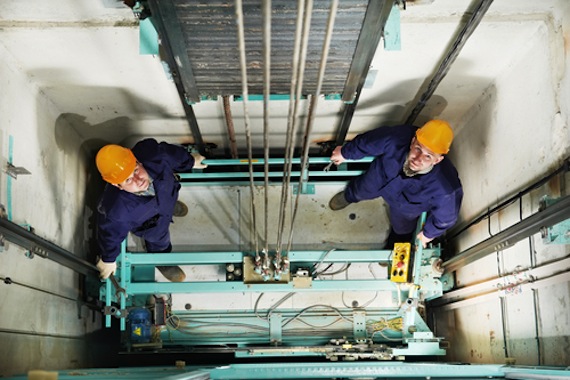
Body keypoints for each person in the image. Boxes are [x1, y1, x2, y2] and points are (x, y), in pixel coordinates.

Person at [328, 119, 463, 249]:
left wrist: (429, 234)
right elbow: (369, 142)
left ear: (437, 160)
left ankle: (394, 247)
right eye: (418, 149)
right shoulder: (397, 138)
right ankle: (348, 196)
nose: (418, 159)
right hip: (381, 176)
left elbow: (447, 217)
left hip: (406, 206)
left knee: (402, 229)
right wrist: (345, 153)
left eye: (428, 156)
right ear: (412, 141)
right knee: (360, 189)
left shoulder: (445, 187)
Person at [95, 138, 206, 282]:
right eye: (128, 180)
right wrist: (108, 258)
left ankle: (170, 208)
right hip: (153, 224)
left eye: (136, 170)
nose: (137, 180)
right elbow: (110, 235)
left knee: (168, 200)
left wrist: (190, 161)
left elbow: (172, 153)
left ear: (137, 161)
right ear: (118, 186)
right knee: (160, 240)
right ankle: (161, 258)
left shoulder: (153, 153)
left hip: (167, 196)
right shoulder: (117, 212)